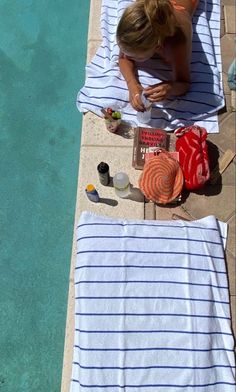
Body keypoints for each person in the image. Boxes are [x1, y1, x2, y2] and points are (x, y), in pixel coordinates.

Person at [116, 0, 199, 111]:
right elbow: (123, 58)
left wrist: (170, 88)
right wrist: (132, 84)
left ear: (158, 47)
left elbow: (184, 83)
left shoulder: (177, 42)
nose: (127, 56)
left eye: (137, 57)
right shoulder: (136, 24)